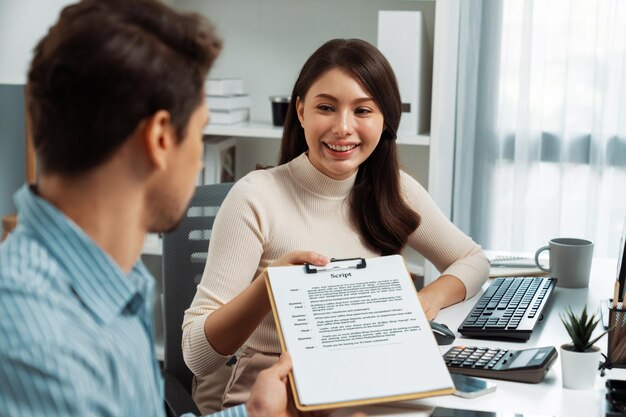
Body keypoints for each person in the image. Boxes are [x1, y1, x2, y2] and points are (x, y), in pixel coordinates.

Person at [0, 0, 305, 416]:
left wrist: (256, 415)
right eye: (201, 131)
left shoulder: (106, 280)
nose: (200, 160)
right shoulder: (42, 347)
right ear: (161, 139)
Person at [182, 38, 490, 411]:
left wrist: (427, 300)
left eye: (363, 111)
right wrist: (270, 285)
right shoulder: (255, 197)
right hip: (278, 390)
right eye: (326, 107)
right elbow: (197, 357)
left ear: (385, 120)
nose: (343, 128)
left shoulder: (395, 189)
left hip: (377, 379)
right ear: (299, 111)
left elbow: (472, 260)